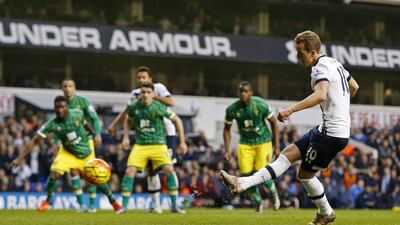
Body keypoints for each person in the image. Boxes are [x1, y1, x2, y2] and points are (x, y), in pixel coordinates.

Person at [221, 30, 359, 225]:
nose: (298, 56)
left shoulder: (319, 67)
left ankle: (326, 213)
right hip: (328, 128)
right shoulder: (335, 63)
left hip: (331, 133)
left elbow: (320, 95)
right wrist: (340, 105)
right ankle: (242, 182)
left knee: (304, 174)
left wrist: (291, 110)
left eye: (300, 52)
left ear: (312, 52)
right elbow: (354, 87)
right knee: (287, 154)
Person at [10, 96, 122, 213]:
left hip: (85, 152)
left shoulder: (78, 114)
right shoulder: (52, 124)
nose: (60, 110)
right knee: (54, 173)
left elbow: (85, 124)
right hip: (68, 152)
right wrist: (19, 158)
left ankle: (113, 202)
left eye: (62, 107)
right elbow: (35, 141)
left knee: (96, 176)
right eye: (57, 107)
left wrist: (92, 135)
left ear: (67, 107)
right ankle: (49, 199)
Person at [108, 66, 176, 213]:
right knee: (151, 171)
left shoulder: (158, 87)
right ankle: (156, 204)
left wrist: (152, 96)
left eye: (144, 78)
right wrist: (114, 124)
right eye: (138, 78)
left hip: (166, 134)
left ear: (150, 79)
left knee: (170, 169)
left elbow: (171, 102)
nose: (140, 80)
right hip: (146, 139)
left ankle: (175, 204)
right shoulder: (135, 94)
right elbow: (127, 112)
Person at [117, 82, 187, 214]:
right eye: (143, 92)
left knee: (169, 169)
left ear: (153, 94)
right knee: (129, 171)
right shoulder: (134, 107)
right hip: (140, 145)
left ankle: (174, 206)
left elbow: (177, 120)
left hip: (158, 144)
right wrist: (125, 137)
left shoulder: (159, 107)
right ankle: (124, 207)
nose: (145, 95)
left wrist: (182, 142)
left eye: (148, 92)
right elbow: (128, 120)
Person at [223, 81, 281, 212]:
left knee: (262, 173)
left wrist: (276, 146)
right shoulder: (232, 109)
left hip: (263, 142)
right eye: (241, 91)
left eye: (246, 91)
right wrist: (226, 150)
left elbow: (274, 123)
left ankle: (273, 195)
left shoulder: (260, 104)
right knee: (245, 175)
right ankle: (258, 201)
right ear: (238, 93)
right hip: (245, 143)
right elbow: (227, 129)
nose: (243, 94)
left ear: (251, 92)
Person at [61, 78, 101, 212]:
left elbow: (94, 118)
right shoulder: (61, 104)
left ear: (75, 88)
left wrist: (98, 134)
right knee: (73, 171)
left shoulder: (82, 102)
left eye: (70, 86)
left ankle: (93, 204)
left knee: (89, 171)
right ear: (62, 89)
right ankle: (81, 205)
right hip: (70, 142)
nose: (67, 88)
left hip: (85, 140)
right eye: (65, 86)